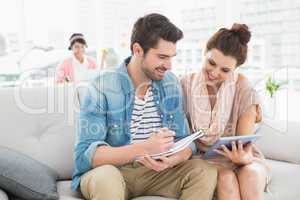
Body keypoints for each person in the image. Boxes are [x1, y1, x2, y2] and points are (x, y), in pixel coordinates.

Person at [72, 13, 217, 200]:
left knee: (204, 171)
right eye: (162, 57)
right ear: (138, 50)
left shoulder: (170, 83)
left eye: (171, 57)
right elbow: (86, 156)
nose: (169, 65)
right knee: (107, 179)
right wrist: (145, 148)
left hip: (156, 173)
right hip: (113, 173)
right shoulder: (102, 87)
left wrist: (176, 157)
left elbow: (185, 141)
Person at [181, 23, 271, 200]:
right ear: (204, 53)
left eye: (225, 70)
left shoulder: (244, 89)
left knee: (251, 175)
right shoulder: (185, 85)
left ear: (236, 68)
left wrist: (242, 159)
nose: (214, 73)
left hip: (243, 158)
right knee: (226, 178)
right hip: (203, 159)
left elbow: (243, 144)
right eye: (211, 63)